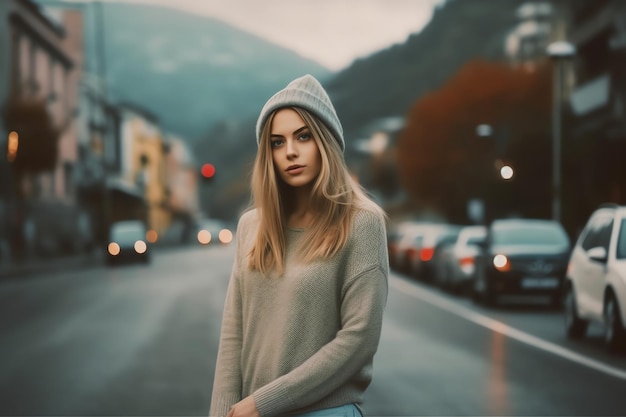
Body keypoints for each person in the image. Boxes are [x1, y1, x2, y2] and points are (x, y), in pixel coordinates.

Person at [209, 74, 389, 417]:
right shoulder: (252, 226)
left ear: (325, 141)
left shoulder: (362, 223)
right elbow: (233, 336)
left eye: (303, 137)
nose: (290, 151)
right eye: (277, 142)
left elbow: (358, 340)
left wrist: (263, 403)